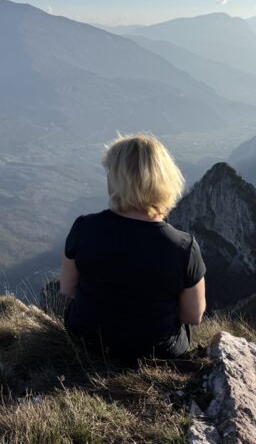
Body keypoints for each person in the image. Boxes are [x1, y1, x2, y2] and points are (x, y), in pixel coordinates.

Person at [59, 133, 206, 361]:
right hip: (156, 353)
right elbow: (193, 315)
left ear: (117, 181)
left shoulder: (84, 227)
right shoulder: (183, 247)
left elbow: (67, 288)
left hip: (87, 339)